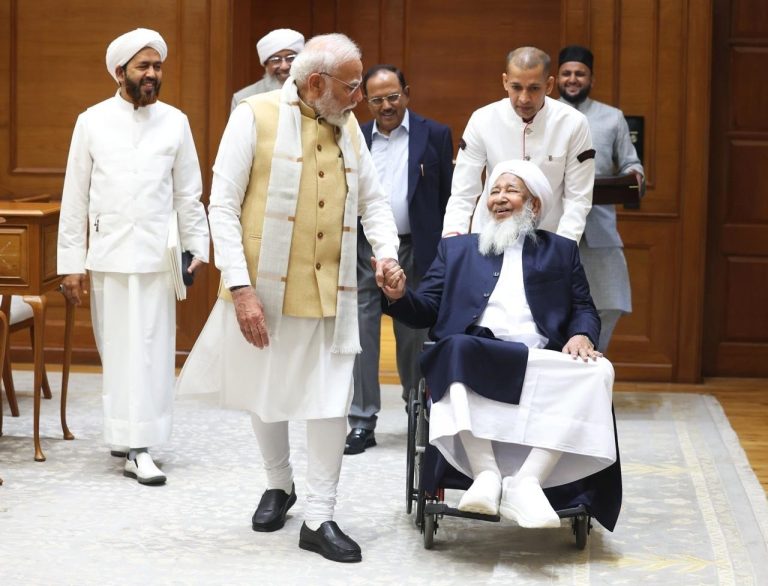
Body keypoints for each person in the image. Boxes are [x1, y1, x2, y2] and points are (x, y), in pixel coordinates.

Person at [177, 33, 401, 563]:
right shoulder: (252, 116)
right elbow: (223, 207)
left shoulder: (349, 127)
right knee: (267, 392)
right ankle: (280, 484)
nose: (359, 99)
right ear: (316, 82)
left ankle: (320, 515)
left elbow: (374, 201)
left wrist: (388, 255)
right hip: (265, 290)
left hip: (335, 292)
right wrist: (239, 287)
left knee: (330, 402)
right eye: (352, 87)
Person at [383, 160, 619, 530]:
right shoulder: (457, 250)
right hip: (476, 353)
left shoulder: (561, 251)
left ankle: (528, 481)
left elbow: (584, 308)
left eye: (511, 190)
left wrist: (581, 335)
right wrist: (398, 297)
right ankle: (486, 475)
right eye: (494, 190)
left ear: (534, 205)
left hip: (541, 358)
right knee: (455, 347)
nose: (499, 198)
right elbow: (426, 307)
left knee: (598, 370)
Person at [57, 28, 210, 485]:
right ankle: (124, 434)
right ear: (119, 71)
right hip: (107, 255)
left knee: (150, 352)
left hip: (157, 257)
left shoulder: (176, 121)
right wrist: (71, 263)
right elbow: (74, 198)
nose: (151, 74)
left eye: (157, 66)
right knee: (118, 350)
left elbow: (189, 193)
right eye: (143, 66)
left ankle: (139, 447)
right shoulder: (91, 121)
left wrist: (198, 247)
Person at [345, 65, 454, 455]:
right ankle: (362, 420)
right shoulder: (351, 134)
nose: (386, 105)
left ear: (406, 93)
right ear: (365, 100)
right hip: (364, 250)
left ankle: (415, 409)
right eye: (376, 99)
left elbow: (447, 198)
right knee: (361, 333)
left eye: (393, 96)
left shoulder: (435, 135)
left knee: (412, 333)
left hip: (415, 249)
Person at [441, 46, 595, 244]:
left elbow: (578, 199)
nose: (524, 98)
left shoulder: (574, 123)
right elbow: (463, 192)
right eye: (516, 87)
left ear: (549, 85)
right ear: (505, 81)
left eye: (534, 88)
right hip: (489, 238)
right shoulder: (482, 119)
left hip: (549, 240)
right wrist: (452, 241)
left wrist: (564, 248)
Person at [558, 45, 645, 351]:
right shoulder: (544, 114)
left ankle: (593, 369)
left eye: (579, 74)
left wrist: (636, 176)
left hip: (599, 232)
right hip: (553, 231)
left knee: (608, 302)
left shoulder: (612, 118)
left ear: (591, 79)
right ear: (556, 77)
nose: (572, 79)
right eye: (566, 73)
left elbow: (631, 164)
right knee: (553, 308)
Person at [230, 28, 305, 112]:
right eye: (276, 60)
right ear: (265, 65)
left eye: (291, 58)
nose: (284, 67)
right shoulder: (243, 98)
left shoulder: (314, 93)